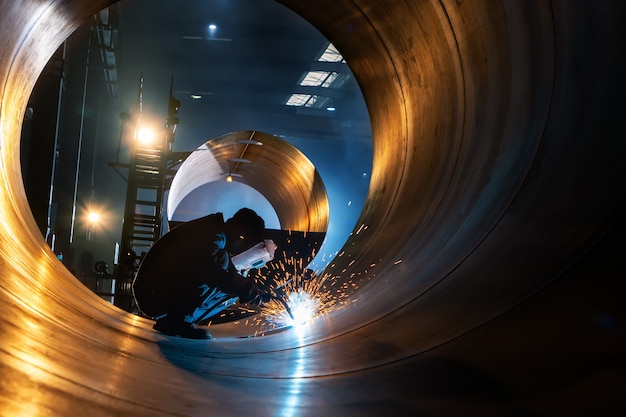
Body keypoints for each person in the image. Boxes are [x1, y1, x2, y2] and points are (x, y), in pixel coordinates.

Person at [132, 208, 272, 339]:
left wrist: (248, 288)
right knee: (224, 269)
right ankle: (177, 322)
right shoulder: (213, 235)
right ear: (241, 236)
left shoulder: (215, 232)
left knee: (230, 278)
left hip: (154, 292)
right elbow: (209, 269)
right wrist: (243, 286)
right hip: (151, 295)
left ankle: (180, 321)